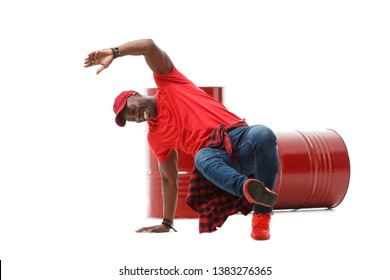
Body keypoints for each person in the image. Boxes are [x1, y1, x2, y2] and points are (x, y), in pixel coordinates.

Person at [84, 39, 279, 240]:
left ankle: (262, 216)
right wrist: (166, 222)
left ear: (136, 94)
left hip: (239, 137)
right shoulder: (155, 136)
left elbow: (148, 46)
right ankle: (247, 188)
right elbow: (169, 178)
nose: (136, 116)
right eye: (131, 119)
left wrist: (114, 52)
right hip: (216, 158)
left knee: (263, 133)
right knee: (201, 158)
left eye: (131, 109)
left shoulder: (170, 82)